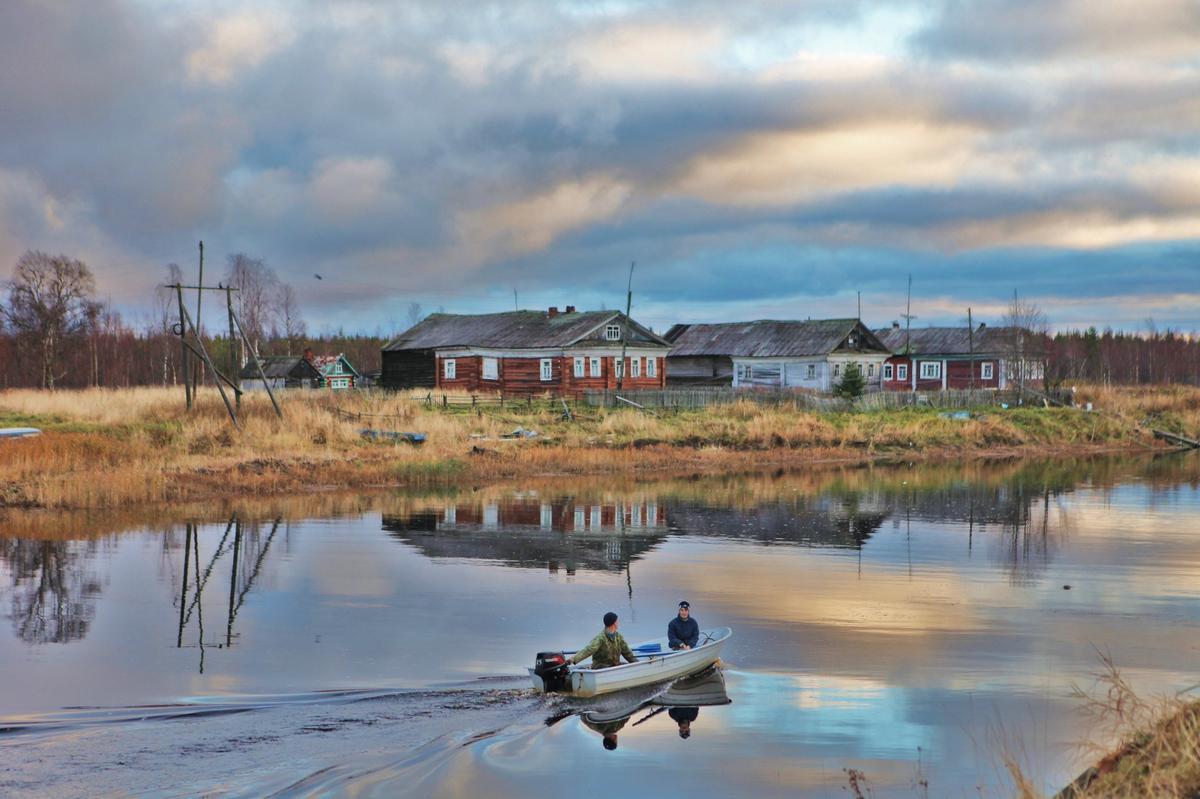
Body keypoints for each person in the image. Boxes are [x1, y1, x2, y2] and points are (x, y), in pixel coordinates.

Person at [570, 611, 639, 669]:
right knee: (610, 668)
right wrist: (573, 659)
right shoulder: (600, 638)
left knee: (626, 666)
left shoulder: (618, 637)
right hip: (600, 667)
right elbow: (588, 650)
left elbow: (627, 653)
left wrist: (637, 664)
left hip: (613, 665)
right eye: (617, 621)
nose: (618, 623)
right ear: (613, 623)